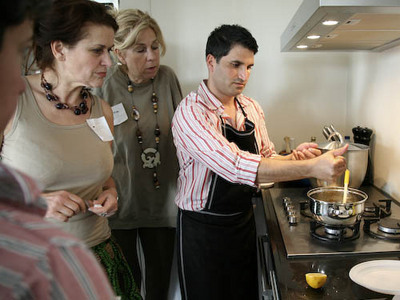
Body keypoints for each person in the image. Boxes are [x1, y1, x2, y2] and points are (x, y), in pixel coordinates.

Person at [171, 24, 348, 300]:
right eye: (236, 65)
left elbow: (265, 160)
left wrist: (292, 157)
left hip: (242, 223)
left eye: (250, 67)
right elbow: (234, 165)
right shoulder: (191, 113)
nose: (244, 75)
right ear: (211, 61)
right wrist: (311, 168)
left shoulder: (250, 107)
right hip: (202, 232)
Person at [1, 1, 141, 299]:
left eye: (109, 50)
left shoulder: (101, 111)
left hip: (99, 259)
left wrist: (111, 193)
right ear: (59, 49)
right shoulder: (13, 99)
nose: (110, 61)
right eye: (96, 50)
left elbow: (104, 177)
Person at [93, 9, 182, 299]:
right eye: (140, 49)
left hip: (162, 201)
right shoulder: (104, 86)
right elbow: (95, 147)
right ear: (119, 53)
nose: (152, 57)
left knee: (159, 285)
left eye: (155, 46)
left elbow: (186, 136)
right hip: (120, 203)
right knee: (128, 287)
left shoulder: (167, 80)